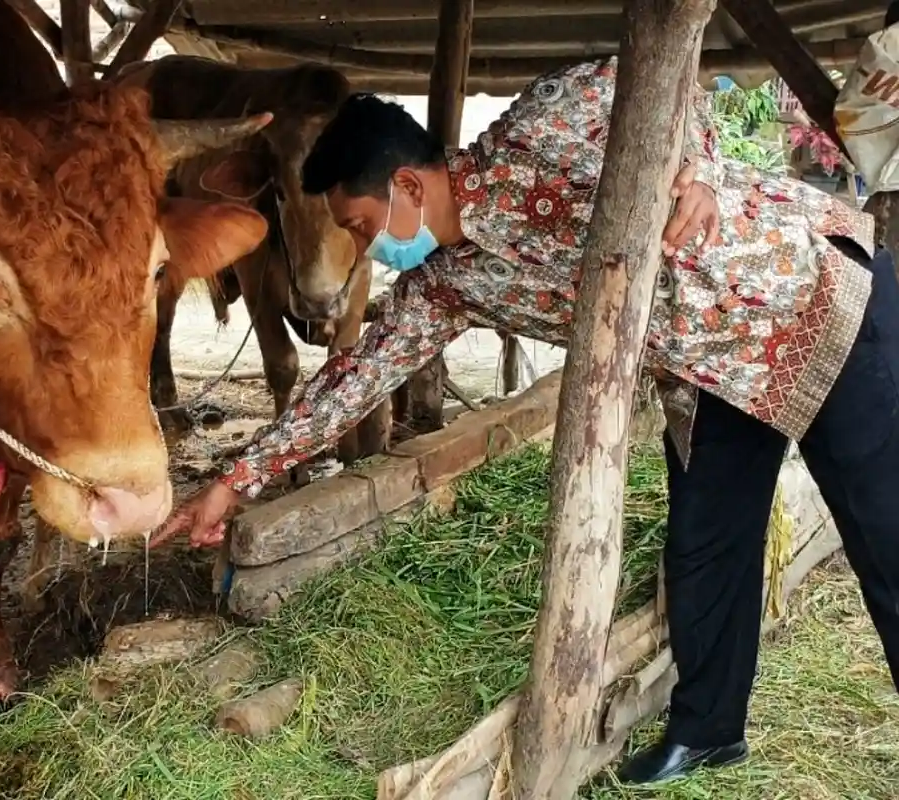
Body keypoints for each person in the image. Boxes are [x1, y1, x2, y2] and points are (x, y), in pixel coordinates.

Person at [154, 56, 899, 785]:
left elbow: (663, 74)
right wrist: (234, 480)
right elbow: (351, 382)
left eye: (358, 223)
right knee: (705, 542)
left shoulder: (543, 122)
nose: (360, 247)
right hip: (713, 371)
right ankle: (708, 732)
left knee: (881, 530)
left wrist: (697, 171)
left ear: (407, 185)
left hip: (816, 306)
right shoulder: (448, 284)